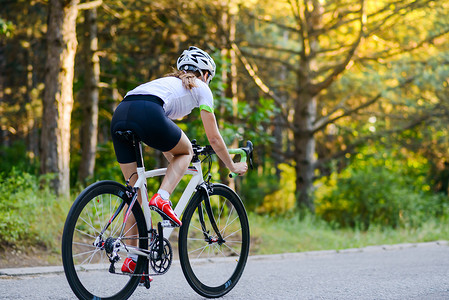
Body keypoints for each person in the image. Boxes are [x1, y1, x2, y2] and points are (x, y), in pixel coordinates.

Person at [110, 46, 248, 279]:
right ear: (205, 74)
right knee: (187, 153)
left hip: (121, 113)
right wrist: (232, 166)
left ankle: (133, 258)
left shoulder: (166, 84)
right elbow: (214, 138)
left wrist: (178, 162)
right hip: (147, 112)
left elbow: (166, 144)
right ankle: (163, 198)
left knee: (135, 194)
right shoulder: (201, 88)